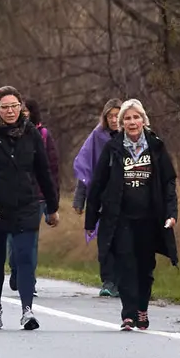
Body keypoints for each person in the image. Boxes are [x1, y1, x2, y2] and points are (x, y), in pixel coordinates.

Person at [0, 86, 59, 331]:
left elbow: (44, 172)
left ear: (20, 107)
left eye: (14, 106)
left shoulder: (31, 133)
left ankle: (27, 310)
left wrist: (52, 206)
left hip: (26, 205)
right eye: (4, 107)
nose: (10, 111)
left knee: (26, 257)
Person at [84, 98, 178, 331]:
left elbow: (168, 182)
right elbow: (97, 184)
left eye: (136, 117)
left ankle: (142, 310)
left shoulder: (156, 146)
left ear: (143, 120)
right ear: (121, 122)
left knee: (145, 267)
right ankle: (128, 314)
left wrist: (171, 212)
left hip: (149, 217)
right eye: (127, 118)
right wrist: (91, 219)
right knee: (125, 264)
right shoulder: (113, 147)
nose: (132, 122)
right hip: (120, 217)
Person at [9, 98, 60, 296]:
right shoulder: (5, 134)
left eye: (25, 110)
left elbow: (52, 168)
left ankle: (28, 280)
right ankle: (15, 269)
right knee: (13, 242)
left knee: (30, 241)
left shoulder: (43, 134)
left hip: (36, 196)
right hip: (10, 196)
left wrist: (52, 199)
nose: (22, 113)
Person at [73, 98, 123, 297]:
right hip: (103, 197)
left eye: (117, 115)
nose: (113, 119)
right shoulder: (97, 137)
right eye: (110, 116)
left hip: (128, 197)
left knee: (125, 242)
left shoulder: (133, 136)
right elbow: (86, 169)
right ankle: (108, 281)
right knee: (106, 242)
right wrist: (80, 199)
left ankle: (123, 281)